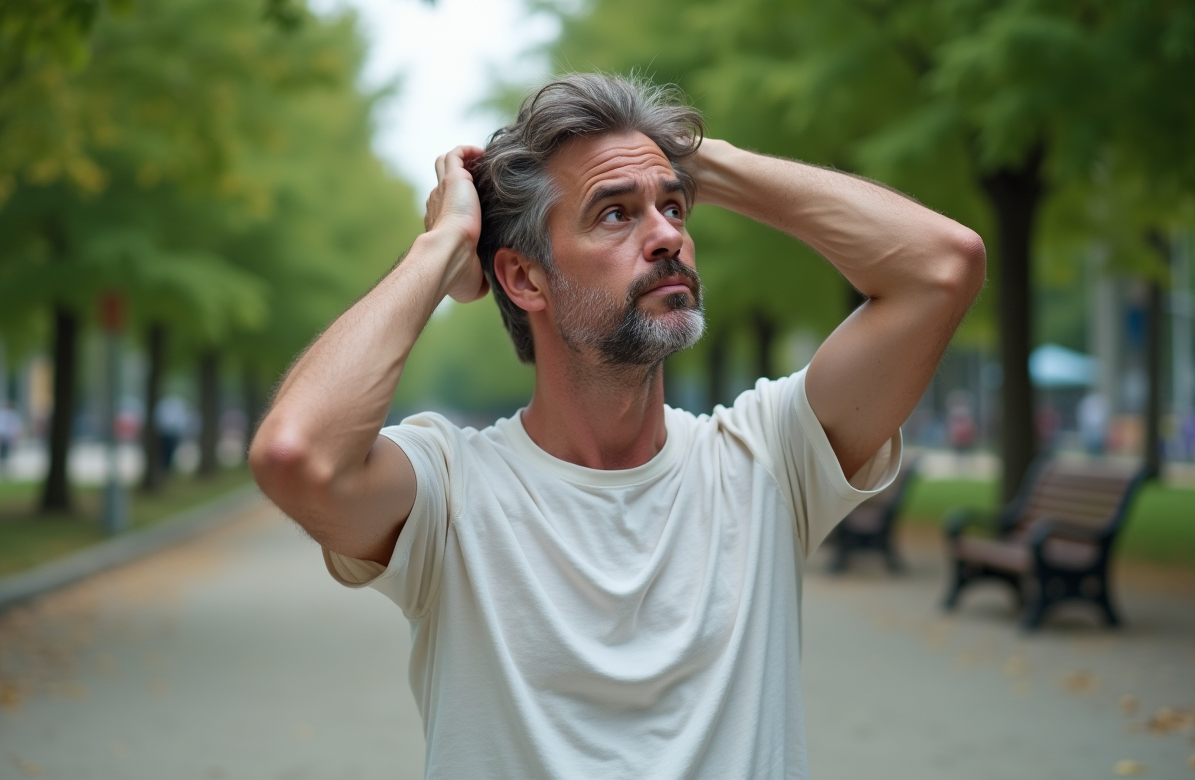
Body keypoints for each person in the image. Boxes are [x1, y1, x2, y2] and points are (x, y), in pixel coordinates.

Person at [250, 74, 985, 779]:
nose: (666, 236)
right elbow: (296, 455)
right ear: (523, 279)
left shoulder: (767, 457)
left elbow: (942, 267)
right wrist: (444, 246)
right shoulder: (447, 491)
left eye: (675, 208)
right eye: (615, 214)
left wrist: (696, 159)